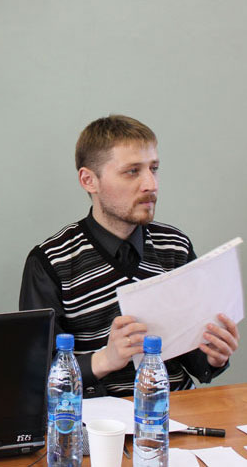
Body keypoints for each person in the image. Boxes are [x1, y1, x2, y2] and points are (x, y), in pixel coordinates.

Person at [19, 115, 239, 398]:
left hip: (176, 407)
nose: (151, 184)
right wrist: (105, 359)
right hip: (96, 417)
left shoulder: (175, 246)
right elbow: (37, 375)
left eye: (154, 169)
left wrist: (214, 356)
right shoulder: (51, 261)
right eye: (132, 171)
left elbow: (195, 361)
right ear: (89, 180)